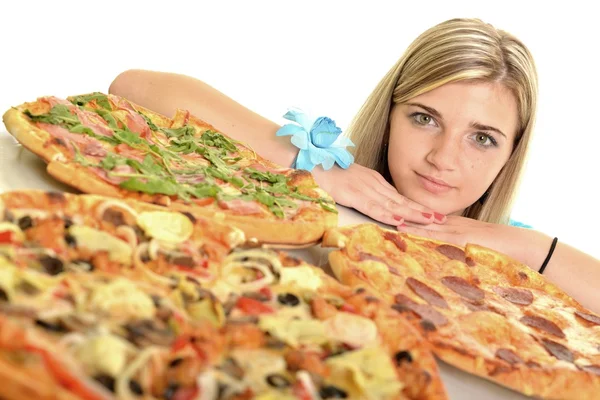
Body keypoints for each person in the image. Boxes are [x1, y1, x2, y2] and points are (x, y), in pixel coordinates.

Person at [108, 18, 599, 312]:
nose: (443, 158)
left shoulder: (513, 250)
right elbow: (133, 86)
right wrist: (308, 164)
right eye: (425, 118)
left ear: (511, 153)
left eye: (483, 138)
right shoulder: (322, 180)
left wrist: (527, 244)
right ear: (389, 112)